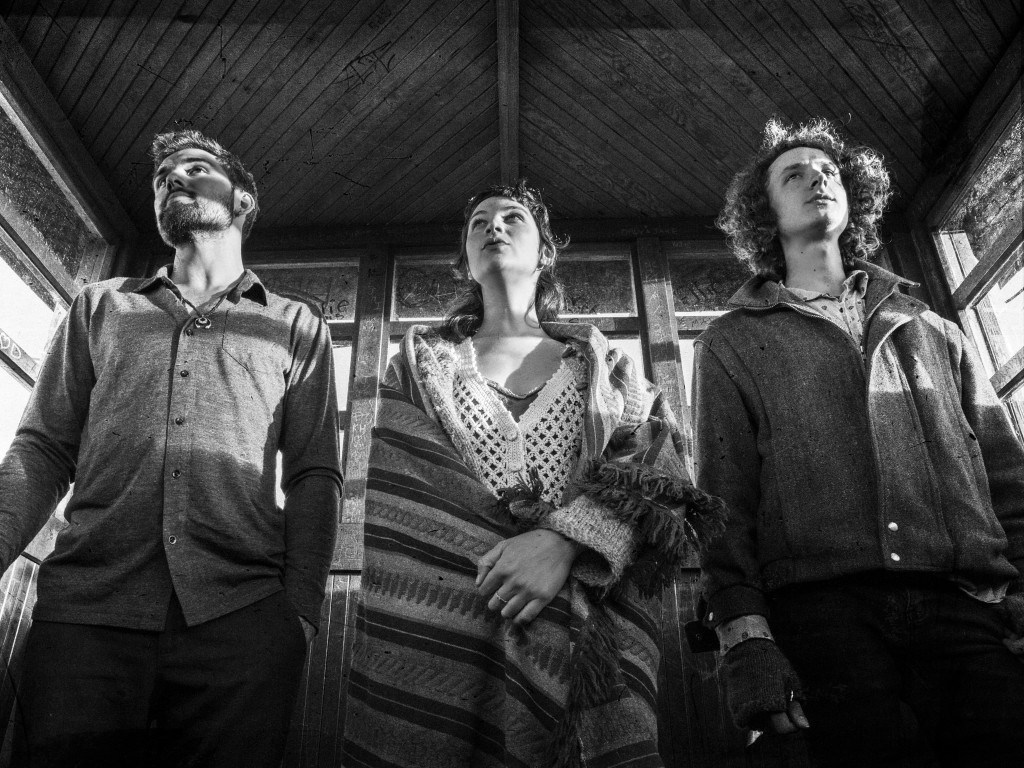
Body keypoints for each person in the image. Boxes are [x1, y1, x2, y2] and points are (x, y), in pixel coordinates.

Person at [341, 180, 724, 768]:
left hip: (591, 627)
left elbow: (661, 468)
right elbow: (402, 493)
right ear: (465, 260)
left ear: (545, 252)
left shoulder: (605, 367)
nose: (493, 226)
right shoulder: (418, 367)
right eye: (478, 223)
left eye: (512, 217)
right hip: (451, 625)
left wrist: (565, 542)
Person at [0, 130, 342, 767]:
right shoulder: (100, 308)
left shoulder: (295, 326)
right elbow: (42, 447)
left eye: (196, 168)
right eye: (162, 179)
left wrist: (300, 609)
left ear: (243, 199)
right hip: (84, 616)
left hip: (242, 622)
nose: (173, 180)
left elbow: (315, 474)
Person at [694, 117, 1024, 767]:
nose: (818, 178)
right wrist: (745, 636)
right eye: (794, 174)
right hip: (822, 618)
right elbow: (721, 502)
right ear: (765, 212)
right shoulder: (729, 342)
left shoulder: (931, 328)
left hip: (968, 607)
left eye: (829, 171)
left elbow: (1006, 473)